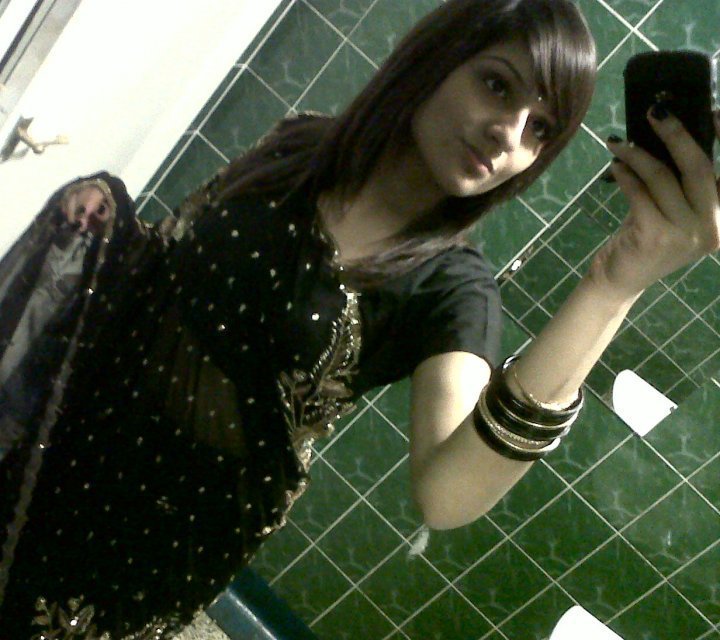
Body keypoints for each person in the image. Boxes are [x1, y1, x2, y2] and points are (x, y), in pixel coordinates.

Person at [1, 0, 718, 637]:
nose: (509, 135)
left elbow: (446, 494)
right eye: (498, 86)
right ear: (440, 58)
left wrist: (613, 286)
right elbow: (177, 266)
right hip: (75, 424)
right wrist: (109, 216)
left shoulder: (453, 289)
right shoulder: (301, 143)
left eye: (540, 129)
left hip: (155, 534)